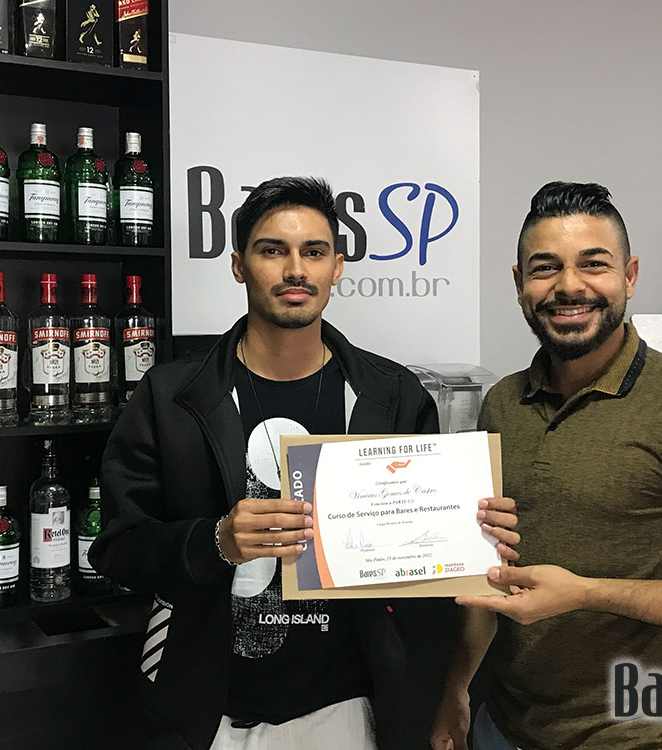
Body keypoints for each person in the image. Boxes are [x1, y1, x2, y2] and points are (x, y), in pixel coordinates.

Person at [89, 176, 520, 750]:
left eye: (314, 252)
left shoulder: (393, 396)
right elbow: (118, 548)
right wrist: (215, 541)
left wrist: (472, 536)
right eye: (273, 250)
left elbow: (422, 572)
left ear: (337, 267)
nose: (296, 270)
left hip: (351, 706)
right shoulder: (170, 397)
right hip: (213, 714)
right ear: (239, 265)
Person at [431, 181, 662, 750]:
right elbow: (490, 567)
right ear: (520, 284)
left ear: (629, 276)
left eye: (593, 264)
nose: (569, 285)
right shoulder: (501, 402)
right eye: (545, 267)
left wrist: (587, 592)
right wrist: (457, 686)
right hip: (503, 728)